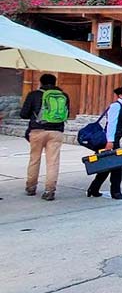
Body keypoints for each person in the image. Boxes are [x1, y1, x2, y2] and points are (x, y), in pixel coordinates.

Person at [20, 73, 69, 201]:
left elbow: (23, 114)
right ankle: (49, 190)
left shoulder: (34, 95)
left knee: (34, 159)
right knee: (53, 161)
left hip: (37, 130)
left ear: (40, 82)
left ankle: (31, 187)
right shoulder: (63, 96)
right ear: (55, 82)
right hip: (56, 131)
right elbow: (66, 114)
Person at [87, 86, 122, 200]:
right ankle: (116, 192)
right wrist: (110, 141)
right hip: (111, 139)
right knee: (116, 165)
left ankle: (94, 188)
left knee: (107, 166)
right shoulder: (116, 106)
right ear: (121, 95)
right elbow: (111, 124)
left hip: (116, 138)